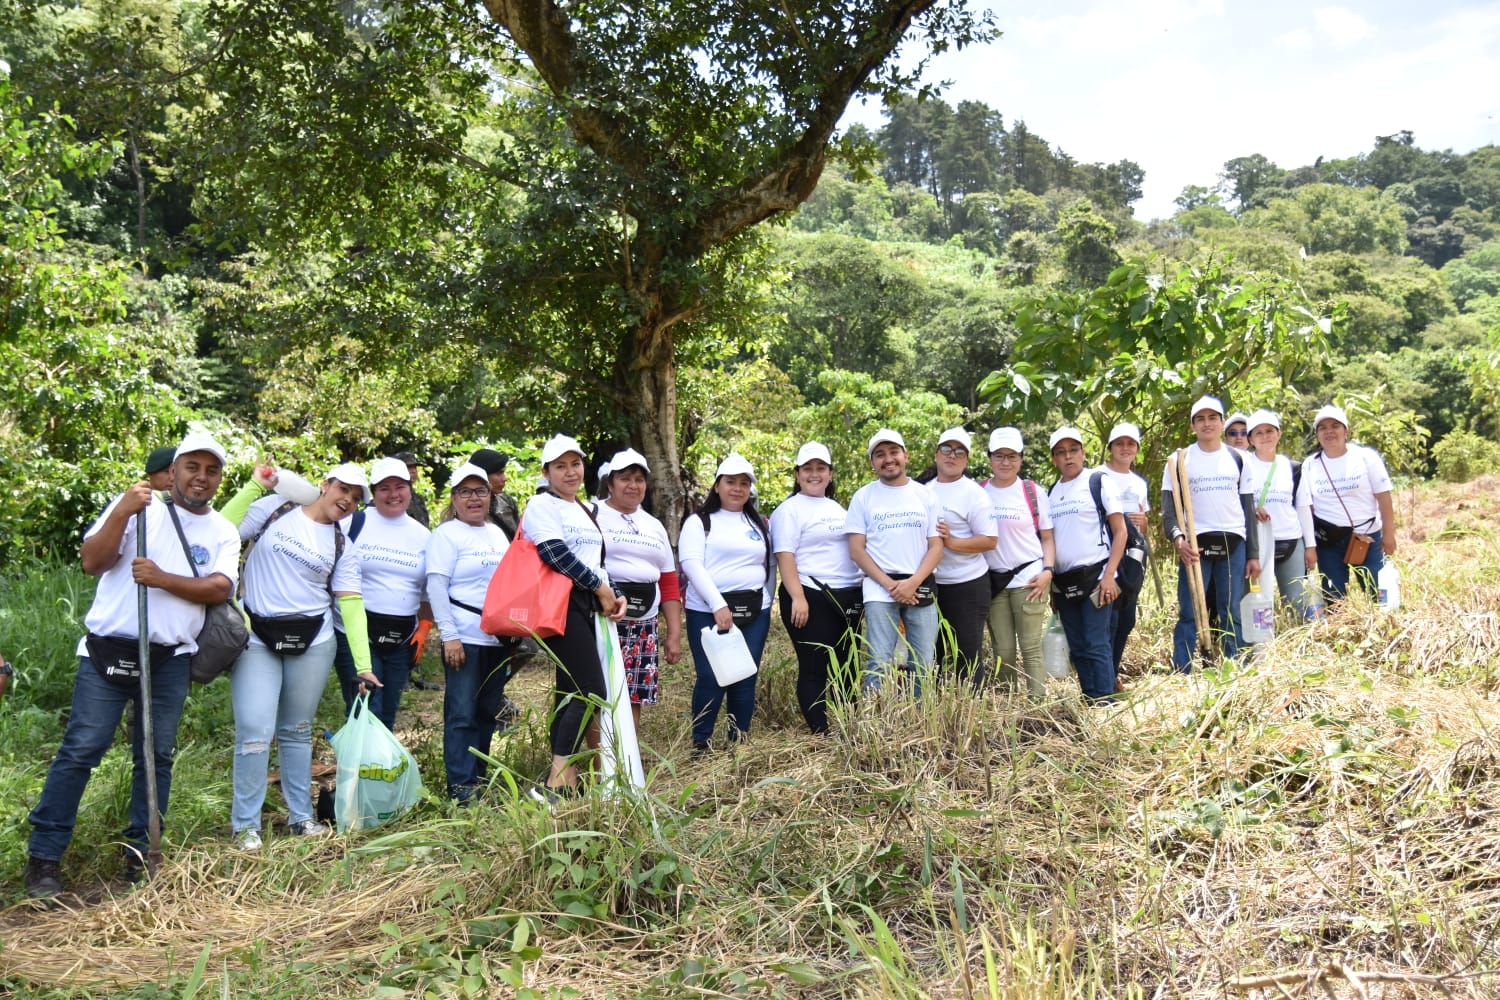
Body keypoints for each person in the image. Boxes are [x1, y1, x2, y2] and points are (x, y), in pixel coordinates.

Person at [24, 432, 239, 898]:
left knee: (156, 755)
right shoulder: (139, 509)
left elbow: (220, 588)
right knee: (82, 750)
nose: (201, 478)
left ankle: (141, 858)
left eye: (212, 470)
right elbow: (92, 561)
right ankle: (44, 858)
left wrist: (161, 579)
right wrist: (122, 510)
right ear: (174, 471)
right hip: (108, 650)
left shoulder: (222, 530)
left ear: (220, 478)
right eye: (192, 467)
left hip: (169, 659)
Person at [220, 461, 380, 849]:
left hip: (313, 639)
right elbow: (221, 530)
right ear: (325, 485)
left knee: (296, 731)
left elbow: (351, 604)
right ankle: (246, 825)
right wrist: (254, 486)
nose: (347, 500)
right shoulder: (275, 508)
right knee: (255, 732)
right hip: (258, 633)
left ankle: (301, 818)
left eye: (356, 498)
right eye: (343, 489)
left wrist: (364, 665)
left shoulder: (344, 544)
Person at [525, 435, 624, 796]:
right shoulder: (542, 505)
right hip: (559, 606)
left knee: (568, 692)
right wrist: (599, 588)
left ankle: (560, 784)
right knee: (591, 691)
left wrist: (617, 593)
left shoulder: (584, 509)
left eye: (575, 464)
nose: (570, 472)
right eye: (560, 466)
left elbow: (596, 561)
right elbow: (555, 553)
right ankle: (557, 777)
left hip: (586, 607)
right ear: (546, 472)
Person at [426, 461, 513, 802]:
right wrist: (449, 635)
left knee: (487, 712)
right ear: (454, 497)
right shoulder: (446, 534)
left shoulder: (496, 532)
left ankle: (479, 778)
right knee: (461, 712)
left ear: (490, 496)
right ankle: (460, 788)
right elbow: (436, 586)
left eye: (480, 491)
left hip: (496, 637)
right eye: (466, 492)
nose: (474, 499)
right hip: (463, 637)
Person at [329, 457, 432, 730]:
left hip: (401, 641)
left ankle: (378, 770)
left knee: (387, 714)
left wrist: (424, 628)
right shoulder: (353, 522)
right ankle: (356, 771)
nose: (393, 494)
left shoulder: (423, 535)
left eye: (400, 486)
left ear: (410, 489)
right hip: (356, 634)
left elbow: (427, 592)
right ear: (373, 493)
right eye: (385, 488)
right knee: (364, 709)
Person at [681, 453, 774, 753]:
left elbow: (768, 566)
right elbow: (691, 564)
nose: (737, 488)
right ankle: (701, 744)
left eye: (744, 483)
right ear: (717, 485)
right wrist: (718, 605)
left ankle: (738, 742)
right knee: (711, 676)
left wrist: (767, 602)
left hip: (754, 612)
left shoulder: (757, 523)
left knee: (745, 675)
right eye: (730, 482)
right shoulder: (699, 522)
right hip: (707, 611)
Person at [770, 442, 864, 735]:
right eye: (807, 469)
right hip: (810, 594)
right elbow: (785, 555)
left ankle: (848, 724)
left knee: (847, 665)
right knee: (815, 666)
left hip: (846, 597)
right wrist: (797, 596)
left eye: (820, 468)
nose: (814, 474)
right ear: (797, 474)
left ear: (830, 473)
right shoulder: (789, 510)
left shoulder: (837, 507)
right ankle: (820, 731)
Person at [1160, 395, 1260, 669]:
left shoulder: (1239, 458)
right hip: (1195, 546)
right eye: (1200, 419)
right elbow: (1168, 510)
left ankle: (1235, 666)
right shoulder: (1178, 460)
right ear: (1193, 426)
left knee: (1232, 610)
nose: (1207, 424)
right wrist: (1178, 539)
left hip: (1234, 543)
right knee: (1190, 611)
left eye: (1213, 418)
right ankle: (1182, 668)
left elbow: (1248, 509)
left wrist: (1253, 553)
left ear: (1222, 422)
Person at [846, 429, 944, 694]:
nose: (888, 459)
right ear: (872, 463)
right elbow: (857, 550)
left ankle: (919, 720)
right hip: (879, 590)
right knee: (879, 660)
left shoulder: (926, 496)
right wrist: (892, 585)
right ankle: (874, 721)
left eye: (893, 452)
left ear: (905, 456)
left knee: (923, 661)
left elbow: (936, 546)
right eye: (879, 455)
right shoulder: (863, 497)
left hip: (919, 587)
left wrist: (912, 582)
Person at [595, 448, 683, 729]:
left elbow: (668, 581)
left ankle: (627, 763)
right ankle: (601, 765)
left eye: (639, 479)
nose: (633, 485)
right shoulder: (592, 514)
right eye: (625, 478)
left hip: (643, 624)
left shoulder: (654, 525)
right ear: (610, 483)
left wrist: (674, 633)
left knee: (633, 693)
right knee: (599, 692)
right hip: (603, 617)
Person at [1046, 427, 1125, 703]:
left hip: (1096, 577)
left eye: (1073, 450)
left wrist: (1109, 575)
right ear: (1054, 459)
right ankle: (1090, 698)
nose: (1068, 457)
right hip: (1064, 583)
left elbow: (1121, 531)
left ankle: (1105, 701)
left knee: (1096, 642)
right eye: (1061, 452)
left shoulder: (1098, 481)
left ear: (1083, 452)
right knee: (1078, 646)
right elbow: (1051, 541)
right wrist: (1053, 589)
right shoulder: (1052, 493)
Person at [981, 428, 1055, 700]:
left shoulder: (1033, 492)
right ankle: (1007, 707)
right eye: (999, 455)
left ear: (1021, 459)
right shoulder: (979, 492)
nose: (1005, 462)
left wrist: (1048, 571)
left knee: (1031, 647)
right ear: (989, 458)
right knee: (1003, 650)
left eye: (1012, 456)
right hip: (994, 581)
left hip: (1029, 578)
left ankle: (1038, 707)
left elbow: (1047, 537)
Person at [1297, 404, 1397, 602]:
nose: (1329, 431)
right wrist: (1310, 545)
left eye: (1335, 426)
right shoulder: (1310, 464)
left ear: (1346, 431)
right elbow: (1307, 507)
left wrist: (1389, 534)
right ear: (1317, 434)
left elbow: (1384, 497)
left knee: (1378, 593)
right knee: (1334, 597)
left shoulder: (1366, 457)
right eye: (1322, 428)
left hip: (1366, 536)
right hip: (1329, 541)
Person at [926, 428, 998, 686]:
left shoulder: (974, 493)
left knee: (967, 654)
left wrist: (952, 541)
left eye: (959, 452)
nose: (951, 456)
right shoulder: (922, 490)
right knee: (930, 652)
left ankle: (970, 712)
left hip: (967, 584)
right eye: (946, 449)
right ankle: (931, 713)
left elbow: (989, 540)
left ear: (966, 460)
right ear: (936, 454)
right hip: (931, 583)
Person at [1240, 409, 1311, 617]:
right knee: (1258, 603)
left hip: (1291, 540)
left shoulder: (1293, 468)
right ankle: (1260, 647)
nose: (1265, 437)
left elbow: (1303, 507)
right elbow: (1235, 502)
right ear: (1251, 439)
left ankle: (1297, 645)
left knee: (1297, 601)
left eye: (1270, 431)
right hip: (1256, 544)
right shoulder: (1243, 465)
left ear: (1279, 434)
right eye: (1258, 433)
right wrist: (1251, 509)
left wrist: (1310, 547)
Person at [1098, 422, 1151, 674]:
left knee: (1127, 619)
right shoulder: (1096, 476)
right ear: (1110, 448)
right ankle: (1103, 676)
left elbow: (1142, 528)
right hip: (1104, 555)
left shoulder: (1139, 483)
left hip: (1132, 559)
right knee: (1108, 619)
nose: (1125, 448)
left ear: (1137, 449)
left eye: (1130, 443)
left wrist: (1144, 523)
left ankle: (1112, 671)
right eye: (1119, 443)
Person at [470, 448, 519, 540]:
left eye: (503, 472)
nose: (505, 478)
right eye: (499, 473)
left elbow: (518, 538)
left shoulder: (506, 502)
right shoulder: (466, 507)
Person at [389, 451, 430, 528]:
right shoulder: (387, 500)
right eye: (408, 467)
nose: (413, 471)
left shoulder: (418, 499)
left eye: (414, 467)